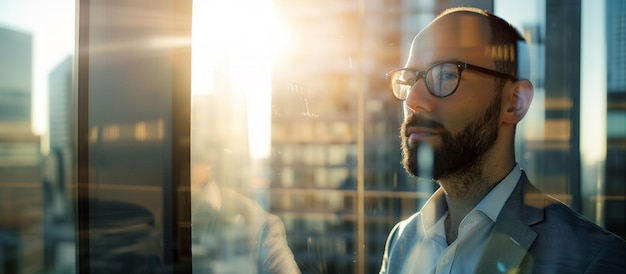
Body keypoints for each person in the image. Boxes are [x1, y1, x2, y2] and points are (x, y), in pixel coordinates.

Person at [379, 6, 626, 274]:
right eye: (409, 80)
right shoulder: (401, 240)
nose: (413, 100)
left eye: (446, 74)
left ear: (515, 103)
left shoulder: (594, 260)